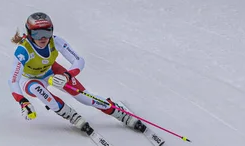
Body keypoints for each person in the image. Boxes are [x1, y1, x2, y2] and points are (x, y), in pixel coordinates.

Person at [8, 12, 144, 134]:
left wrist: (67, 75)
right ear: (30, 34)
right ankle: (71, 115)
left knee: (84, 98)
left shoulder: (55, 41)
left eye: (47, 32)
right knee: (38, 90)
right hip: (30, 79)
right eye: (37, 34)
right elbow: (13, 80)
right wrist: (23, 101)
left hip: (51, 71)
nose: (43, 38)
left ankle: (118, 112)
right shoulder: (23, 50)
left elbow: (79, 60)